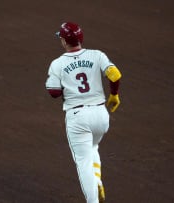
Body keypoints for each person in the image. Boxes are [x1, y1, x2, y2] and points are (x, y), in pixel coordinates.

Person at [45, 22, 122, 203]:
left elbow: (54, 92)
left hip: (78, 118)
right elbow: (115, 75)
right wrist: (114, 95)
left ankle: (93, 199)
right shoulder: (97, 55)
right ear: (81, 38)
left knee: (83, 163)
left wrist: (66, 85)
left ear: (64, 41)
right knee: (93, 147)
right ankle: (97, 181)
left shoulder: (58, 64)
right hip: (101, 116)